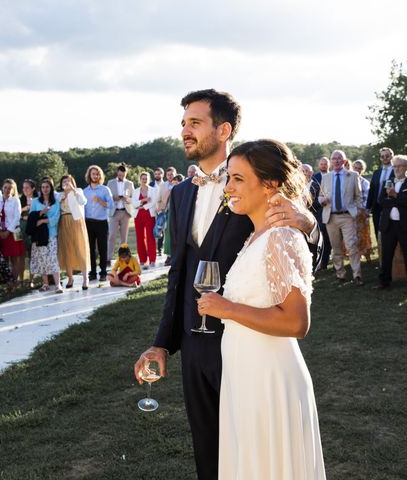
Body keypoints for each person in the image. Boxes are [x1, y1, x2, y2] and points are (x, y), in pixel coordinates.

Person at [133, 89, 321, 480]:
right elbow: (179, 276)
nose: (185, 131)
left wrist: (310, 225)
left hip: (252, 347)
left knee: (257, 455)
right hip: (196, 346)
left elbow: (308, 258)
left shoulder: (261, 182)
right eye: (183, 123)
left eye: (194, 123)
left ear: (223, 129)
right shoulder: (182, 194)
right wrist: (163, 343)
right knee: (211, 456)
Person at [193, 139, 326, 479]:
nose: (228, 187)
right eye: (228, 178)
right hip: (244, 374)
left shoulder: (282, 236)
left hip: (269, 378)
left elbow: (297, 321)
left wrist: (227, 308)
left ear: (269, 184)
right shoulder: (254, 235)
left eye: (238, 178)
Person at [318, 149, 364, 285]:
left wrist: (355, 210)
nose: (336, 160)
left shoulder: (353, 175)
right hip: (330, 217)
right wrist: (322, 200)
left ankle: (357, 275)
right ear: (331, 162)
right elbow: (320, 196)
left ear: (344, 161)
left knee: (351, 246)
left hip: (347, 216)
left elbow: (359, 196)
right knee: (336, 247)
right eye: (334, 158)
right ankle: (340, 275)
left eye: (339, 158)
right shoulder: (326, 177)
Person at [375, 155, 407, 290]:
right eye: (394, 166)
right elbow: (381, 201)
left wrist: (395, 196)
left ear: (406, 167)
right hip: (388, 225)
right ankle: (384, 282)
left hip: (406, 225)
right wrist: (398, 199)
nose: (396, 169)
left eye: (399, 166)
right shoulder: (388, 182)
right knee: (386, 255)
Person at [57, 174, 90, 290]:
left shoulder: (78, 191)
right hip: (64, 222)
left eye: (68, 181)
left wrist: (73, 190)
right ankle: (70, 278)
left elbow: (83, 201)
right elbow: (55, 207)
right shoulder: (59, 195)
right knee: (67, 250)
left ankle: (85, 279)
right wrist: (61, 198)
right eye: (64, 181)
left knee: (80, 249)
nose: (66, 183)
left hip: (76, 221)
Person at [29, 178, 62, 293]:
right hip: (39, 235)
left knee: (52, 258)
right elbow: (31, 216)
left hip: (51, 234)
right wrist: (41, 213)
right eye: (43, 187)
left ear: (51, 188)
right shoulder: (35, 202)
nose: (45, 189)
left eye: (47, 187)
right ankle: (45, 283)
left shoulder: (56, 202)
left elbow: (56, 218)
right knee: (42, 258)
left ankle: (58, 284)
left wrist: (43, 221)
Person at [0, 179, 25, 287]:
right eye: (5, 187)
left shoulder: (16, 200)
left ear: (13, 190)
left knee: (15, 258)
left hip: (14, 232)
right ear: (2, 188)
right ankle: (7, 280)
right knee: (4, 258)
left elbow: (17, 217)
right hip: (0, 232)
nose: (7, 190)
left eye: (9, 188)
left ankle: (14, 281)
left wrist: (8, 231)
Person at [83, 165, 112, 282]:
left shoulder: (105, 190)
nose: (95, 176)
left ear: (100, 176)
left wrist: (100, 201)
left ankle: (103, 272)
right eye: (93, 174)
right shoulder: (84, 191)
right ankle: (93, 272)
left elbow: (111, 205)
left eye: (97, 174)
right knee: (90, 249)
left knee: (102, 249)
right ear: (89, 175)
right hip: (88, 223)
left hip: (101, 223)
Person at [107, 164, 135, 265]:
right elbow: (107, 198)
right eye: (120, 175)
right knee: (112, 236)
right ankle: (108, 258)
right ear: (117, 173)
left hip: (125, 212)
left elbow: (133, 198)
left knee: (124, 237)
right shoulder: (110, 183)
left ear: (126, 174)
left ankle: (123, 258)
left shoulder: (130, 183)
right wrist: (114, 198)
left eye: (123, 175)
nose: (121, 177)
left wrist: (127, 199)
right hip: (114, 212)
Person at [366, 147, 395, 237]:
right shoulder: (376, 172)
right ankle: (380, 250)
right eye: (382, 156)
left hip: (391, 206)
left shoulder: (396, 171)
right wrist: (368, 207)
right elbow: (372, 190)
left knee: (389, 233)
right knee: (377, 232)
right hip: (377, 207)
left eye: (387, 155)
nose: (385, 158)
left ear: (392, 156)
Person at [132, 172, 157, 268]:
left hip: (149, 215)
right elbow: (134, 204)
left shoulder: (153, 190)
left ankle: (152, 260)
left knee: (150, 237)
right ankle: (142, 260)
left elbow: (153, 202)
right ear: (140, 179)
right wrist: (143, 200)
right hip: (138, 216)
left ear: (149, 179)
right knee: (140, 238)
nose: (144, 180)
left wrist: (143, 206)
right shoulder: (136, 191)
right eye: (142, 178)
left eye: (146, 178)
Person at [310, 157, 332, 269]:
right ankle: (319, 261)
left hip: (332, 211)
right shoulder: (315, 178)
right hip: (318, 212)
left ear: (329, 165)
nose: (323, 166)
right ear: (319, 165)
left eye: (325, 164)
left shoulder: (332, 176)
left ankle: (326, 260)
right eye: (322, 164)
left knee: (329, 238)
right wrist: (320, 203)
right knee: (320, 236)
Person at [352, 159, 373, 262]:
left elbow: (367, 197)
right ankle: (354, 254)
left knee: (364, 234)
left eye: (360, 168)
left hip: (362, 212)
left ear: (363, 170)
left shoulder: (365, 182)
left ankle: (366, 253)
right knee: (352, 235)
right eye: (355, 168)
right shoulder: (348, 180)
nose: (357, 170)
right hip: (350, 213)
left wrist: (363, 210)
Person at [19, 179, 38, 287]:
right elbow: (14, 214)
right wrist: (23, 211)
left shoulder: (37, 200)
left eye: (27, 187)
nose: (25, 189)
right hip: (22, 230)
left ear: (33, 189)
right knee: (21, 256)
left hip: (33, 230)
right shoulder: (19, 200)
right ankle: (21, 280)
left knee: (32, 255)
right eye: (23, 187)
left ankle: (31, 280)